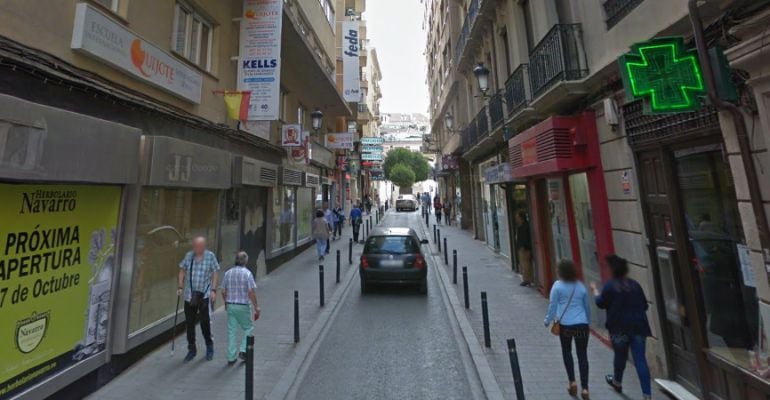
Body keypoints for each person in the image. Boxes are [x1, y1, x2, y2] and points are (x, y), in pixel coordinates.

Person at [590, 255, 652, 400]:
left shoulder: (610, 286)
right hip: (638, 328)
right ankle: (647, 395)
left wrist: (594, 290)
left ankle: (617, 382)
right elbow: (644, 305)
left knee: (620, 356)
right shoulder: (635, 285)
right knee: (640, 360)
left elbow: (600, 303)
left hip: (619, 329)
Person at [544, 260, 592, 400]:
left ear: (560, 272)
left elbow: (552, 306)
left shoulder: (557, 286)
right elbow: (587, 307)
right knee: (582, 355)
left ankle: (572, 382)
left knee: (567, 352)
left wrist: (547, 320)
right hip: (581, 324)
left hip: (566, 325)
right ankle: (585, 389)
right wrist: (587, 321)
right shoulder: (580, 287)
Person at [177, 236, 220, 363]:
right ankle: (191, 349)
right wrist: (180, 285)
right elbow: (182, 270)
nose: (197, 248)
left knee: (205, 323)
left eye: (199, 246)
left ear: (204, 246)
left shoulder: (210, 256)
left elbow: (214, 273)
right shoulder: (189, 256)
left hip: (205, 295)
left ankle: (209, 346)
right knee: (190, 324)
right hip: (190, 295)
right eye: (195, 246)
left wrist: (213, 290)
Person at [220, 251, 260, 364]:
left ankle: (231, 357)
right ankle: (243, 350)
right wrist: (257, 306)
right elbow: (251, 292)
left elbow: (223, 291)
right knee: (249, 328)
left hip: (231, 305)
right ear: (246, 261)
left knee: (232, 331)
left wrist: (226, 303)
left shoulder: (228, 273)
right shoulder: (247, 274)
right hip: (243, 306)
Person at [515, 211, 533, 287]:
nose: (516, 219)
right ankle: (526, 279)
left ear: (521, 218)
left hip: (524, 248)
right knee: (524, 264)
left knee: (526, 264)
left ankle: (527, 280)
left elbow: (525, 237)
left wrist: (523, 246)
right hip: (521, 247)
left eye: (517, 217)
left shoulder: (525, 226)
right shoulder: (521, 226)